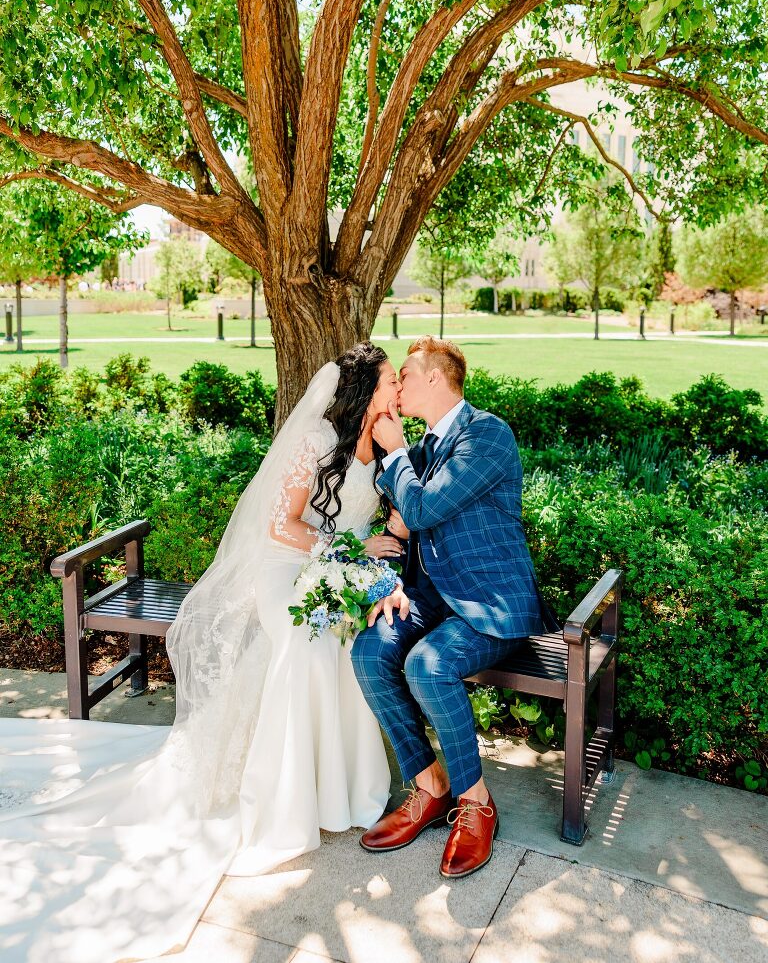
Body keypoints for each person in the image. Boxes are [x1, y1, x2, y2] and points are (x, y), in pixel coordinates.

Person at [0, 343, 404, 963]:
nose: (396, 389)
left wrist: (366, 550)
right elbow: (281, 526)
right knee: (304, 642)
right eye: (388, 382)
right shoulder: (316, 440)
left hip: (329, 572)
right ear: (363, 392)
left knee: (343, 644)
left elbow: (395, 517)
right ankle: (289, 797)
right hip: (285, 570)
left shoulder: (381, 447)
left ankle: (342, 787)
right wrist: (348, 551)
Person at [351, 335, 543, 879]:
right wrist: (388, 582)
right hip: (431, 597)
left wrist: (393, 452)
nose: (398, 386)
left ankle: (476, 803)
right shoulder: (424, 447)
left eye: (405, 375)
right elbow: (403, 523)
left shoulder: (487, 434)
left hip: (491, 604)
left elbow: (424, 507)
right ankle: (430, 785)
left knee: (426, 665)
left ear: (435, 378)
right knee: (370, 652)